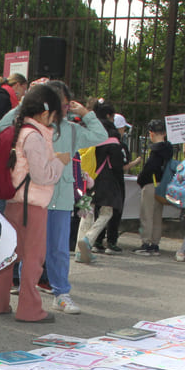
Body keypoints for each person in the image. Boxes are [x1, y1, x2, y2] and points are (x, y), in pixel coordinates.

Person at [0, 79, 107, 314]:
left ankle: (61, 292)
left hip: (61, 199)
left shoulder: (72, 130)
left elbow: (100, 135)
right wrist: (25, 102)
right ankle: (23, 289)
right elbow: (1, 126)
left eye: (66, 106)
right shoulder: (30, 125)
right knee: (25, 247)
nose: (62, 111)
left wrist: (87, 113)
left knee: (57, 248)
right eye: (58, 105)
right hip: (33, 198)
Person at [0, 84, 69, 323]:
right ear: (45, 113)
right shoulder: (35, 137)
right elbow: (43, 176)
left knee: (9, 255)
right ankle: (30, 309)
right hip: (32, 206)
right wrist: (60, 162)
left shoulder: (19, 131)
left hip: (14, 203)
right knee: (34, 256)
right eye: (54, 115)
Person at [81, 102, 126, 256]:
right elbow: (117, 163)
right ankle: (87, 239)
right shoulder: (111, 135)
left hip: (87, 177)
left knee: (87, 211)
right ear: (109, 116)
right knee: (106, 212)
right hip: (105, 180)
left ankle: (80, 248)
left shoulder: (89, 129)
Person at [132, 118, 173, 257]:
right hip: (163, 184)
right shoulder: (169, 149)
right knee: (157, 216)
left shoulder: (155, 151)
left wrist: (141, 179)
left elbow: (149, 169)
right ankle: (155, 243)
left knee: (146, 215)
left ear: (151, 133)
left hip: (150, 184)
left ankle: (146, 243)